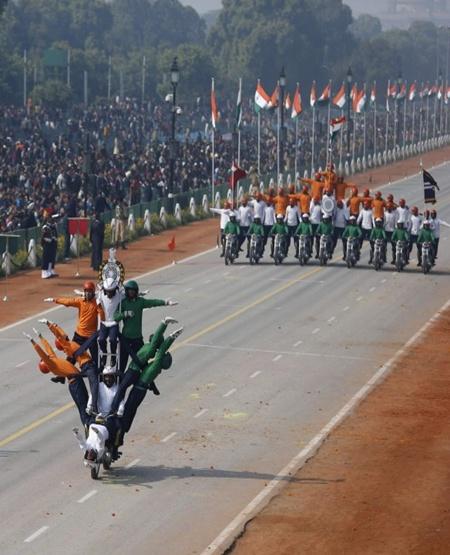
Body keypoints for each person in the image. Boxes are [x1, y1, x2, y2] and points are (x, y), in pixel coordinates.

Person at [120, 326, 184, 437]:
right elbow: (160, 347)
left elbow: (162, 348)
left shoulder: (156, 363)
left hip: (138, 389)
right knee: (132, 408)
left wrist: (172, 336)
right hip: (142, 389)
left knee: (129, 406)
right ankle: (125, 427)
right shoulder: (157, 366)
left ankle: (122, 425)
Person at [109, 317, 179, 415]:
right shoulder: (147, 347)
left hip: (133, 371)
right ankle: (119, 407)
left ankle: (113, 409)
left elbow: (157, 339)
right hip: (135, 372)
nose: (153, 336)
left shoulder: (150, 349)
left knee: (121, 388)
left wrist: (164, 324)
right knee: (123, 388)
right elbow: (158, 340)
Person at [36, 319, 101, 413]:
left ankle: (61, 378)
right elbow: (59, 335)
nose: (65, 336)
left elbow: (60, 334)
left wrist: (52, 325)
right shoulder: (68, 345)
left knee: (93, 384)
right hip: (87, 366)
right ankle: (95, 407)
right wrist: (48, 324)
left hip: (84, 368)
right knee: (94, 385)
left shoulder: (68, 347)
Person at [114, 280, 178, 374]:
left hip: (137, 338)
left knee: (142, 363)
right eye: (129, 290)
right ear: (126, 291)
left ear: (136, 291)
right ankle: (118, 382)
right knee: (121, 365)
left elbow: (152, 302)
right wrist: (125, 314)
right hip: (125, 339)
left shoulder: (140, 302)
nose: (131, 292)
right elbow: (115, 317)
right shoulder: (123, 303)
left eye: (133, 290)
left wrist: (166, 302)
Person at [44, 281, 103, 363]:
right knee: (71, 356)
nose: (87, 294)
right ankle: (66, 374)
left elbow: (102, 316)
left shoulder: (96, 303)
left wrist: (99, 304)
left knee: (96, 359)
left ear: (93, 292)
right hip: (79, 335)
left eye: (89, 292)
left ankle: (97, 374)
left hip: (91, 337)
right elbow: (68, 302)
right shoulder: (80, 301)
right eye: (86, 291)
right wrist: (55, 300)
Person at [97, 277, 125, 367]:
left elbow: (129, 295)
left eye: (111, 291)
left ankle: (113, 356)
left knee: (113, 340)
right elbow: (93, 295)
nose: (109, 293)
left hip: (114, 323)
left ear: (115, 290)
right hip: (104, 323)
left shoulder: (120, 296)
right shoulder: (101, 294)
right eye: (107, 291)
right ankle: (104, 354)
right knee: (101, 340)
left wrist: (139, 294)